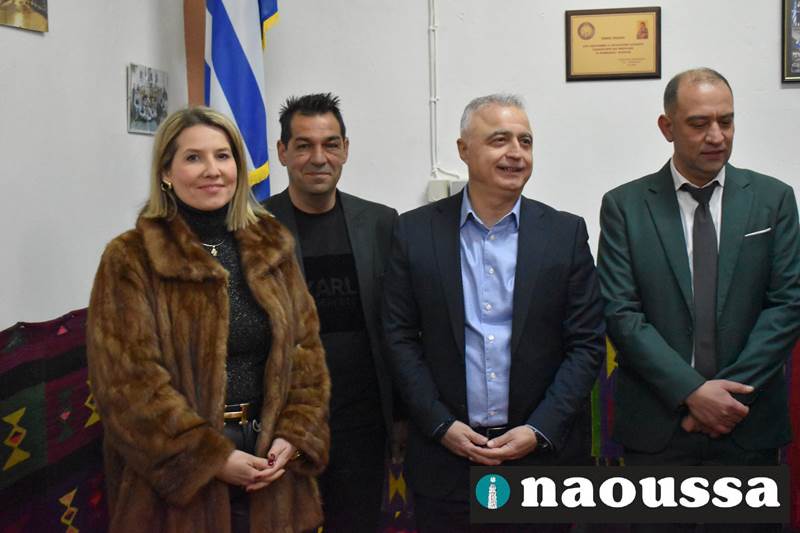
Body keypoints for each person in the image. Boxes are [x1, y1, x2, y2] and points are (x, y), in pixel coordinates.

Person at [86, 107, 330, 533]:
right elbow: (128, 386)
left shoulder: (272, 245)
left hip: (271, 469)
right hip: (176, 486)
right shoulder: (130, 258)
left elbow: (305, 353)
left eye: (223, 156)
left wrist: (293, 436)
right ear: (166, 172)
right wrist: (213, 459)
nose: (212, 170)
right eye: (193, 158)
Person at [382, 94, 605, 533]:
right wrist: (440, 424)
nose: (516, 153)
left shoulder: (565, 233)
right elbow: (399, 337)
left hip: (540, 459)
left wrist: (539, 429)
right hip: (447, 458)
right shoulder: (414, 232)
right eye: (499, 140)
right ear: (463, 149)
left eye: (526, 141)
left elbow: (586, 344)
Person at [598, 68, 800, 531]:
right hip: (658, 428)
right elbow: (620, 312)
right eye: (698, 123)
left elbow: (787, 305)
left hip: (748, 425)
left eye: (726, 121)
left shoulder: (773, 200)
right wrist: (691, 392)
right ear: (666, 127)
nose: (716, 136)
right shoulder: (625, 206)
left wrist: (723, 401)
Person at [263, 92, 399, 533]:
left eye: (331, 144)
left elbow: (399, 324)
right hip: (284, 424)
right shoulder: (255, 228)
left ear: (345, 149)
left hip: (363, 421)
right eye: (303, 145)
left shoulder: (381, 223)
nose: (319, 158)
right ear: (282, 152)